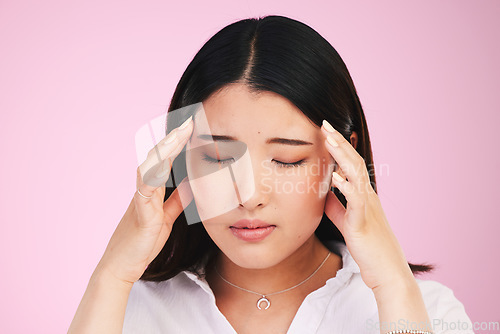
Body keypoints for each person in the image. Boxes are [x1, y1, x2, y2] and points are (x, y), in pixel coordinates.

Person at [68, 15, 474, 334]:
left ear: (341, 157)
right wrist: (112, 274)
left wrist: (392, 284)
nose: (249, 196)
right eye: (217, 158)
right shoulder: (122, 309)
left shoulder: (425, 310)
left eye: (287, 160)